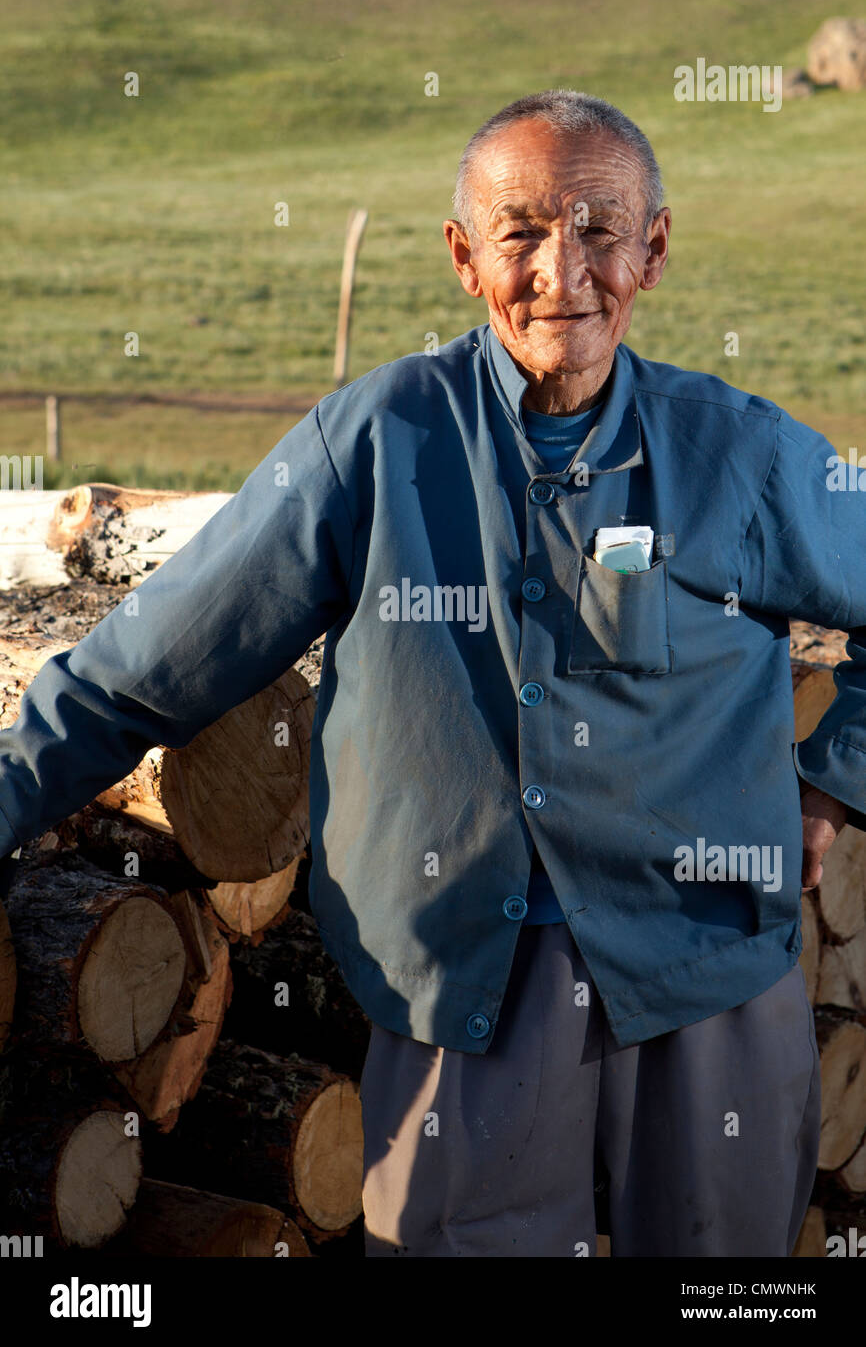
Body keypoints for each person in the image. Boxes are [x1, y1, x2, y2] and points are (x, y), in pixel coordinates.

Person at [0, 89, 862, 1257]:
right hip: (466, 993)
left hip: (706, 977)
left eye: (600, 229)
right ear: (463, 257)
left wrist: (832, 779)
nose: (563, 269)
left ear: (652, 248)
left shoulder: (743, 453)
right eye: (519, 232)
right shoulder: (374, 441)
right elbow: (139, 672)